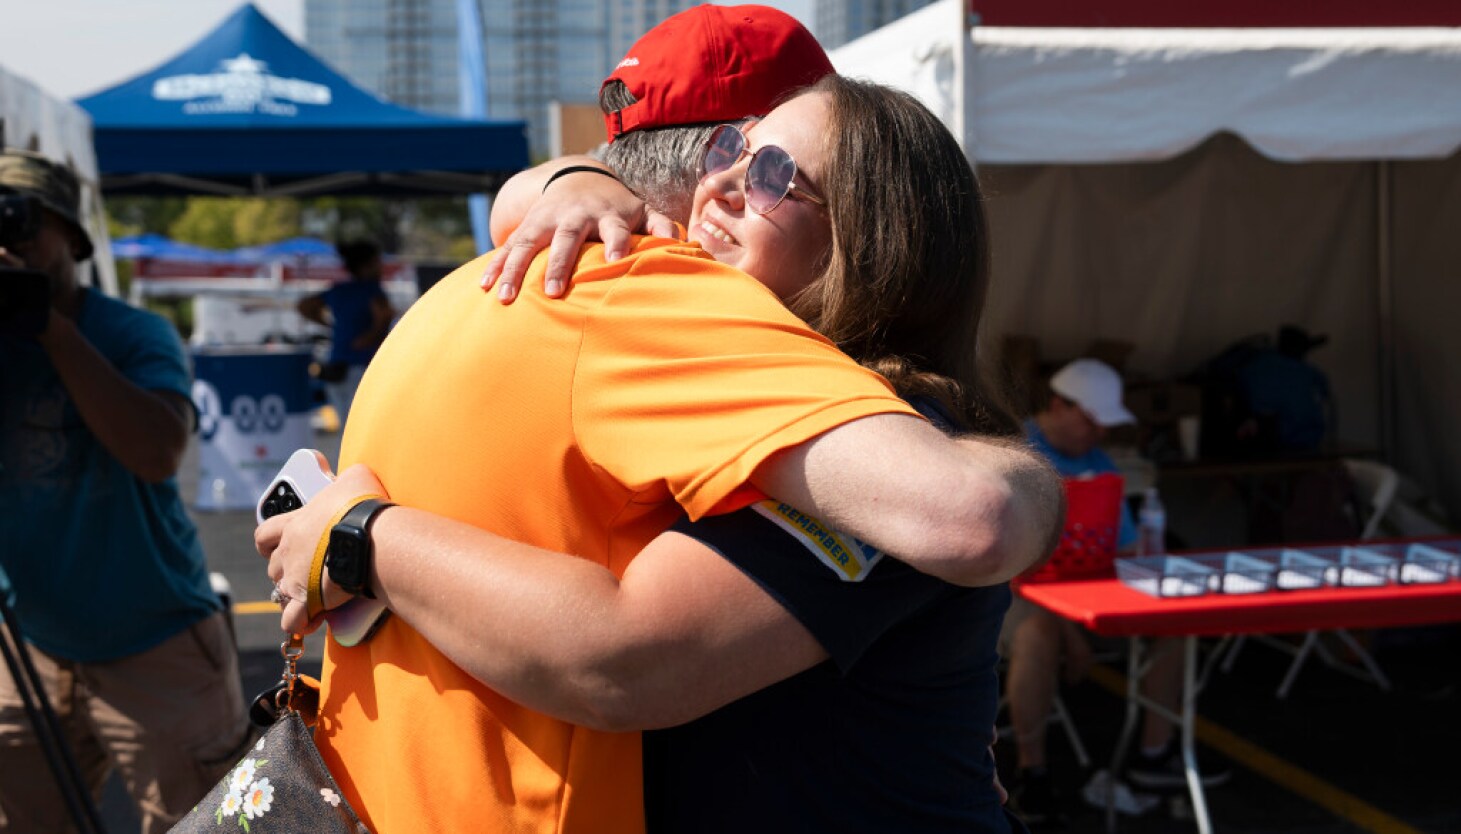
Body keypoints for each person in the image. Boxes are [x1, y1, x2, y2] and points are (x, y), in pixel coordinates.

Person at [257, 7, 1061, 833]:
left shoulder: (868, 436)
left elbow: (624, 662)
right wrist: (578, 183)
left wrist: (359, 535)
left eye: (772, 171)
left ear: (875, 240)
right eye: (730, 150)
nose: (719, 184)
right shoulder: (731, 389)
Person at [0, 150, 252, 832]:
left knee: (196, 824)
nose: (7, 243)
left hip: (156, 641)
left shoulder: (132, 333)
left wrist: (48, 330)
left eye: (20, 219)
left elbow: (155, 452)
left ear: (74, 239)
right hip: (27, 641)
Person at [1004, 359, 1225, 826]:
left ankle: (1153, 754)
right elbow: (1011, 566)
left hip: (1092, 594)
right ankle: (1033, 772)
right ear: (1058, 404)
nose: (1099, 430)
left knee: (1175, 624)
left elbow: (1124, 548)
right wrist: (1071, 633)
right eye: (1091, 418)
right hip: (1021, 595)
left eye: (1105, 421)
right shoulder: (1016, 453)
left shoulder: (1100, 463)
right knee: (1038, 633)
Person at [296, 239, 394, 424]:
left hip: (337, 368)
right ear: (367, 265)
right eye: (377, 262)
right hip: (362, 368)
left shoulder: (340, 290)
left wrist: (329, 325)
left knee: (346, 426)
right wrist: (371, 337)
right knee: (364, 426)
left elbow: (304, 306)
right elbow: (384, 316)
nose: (381, 267)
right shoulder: (372, 291)